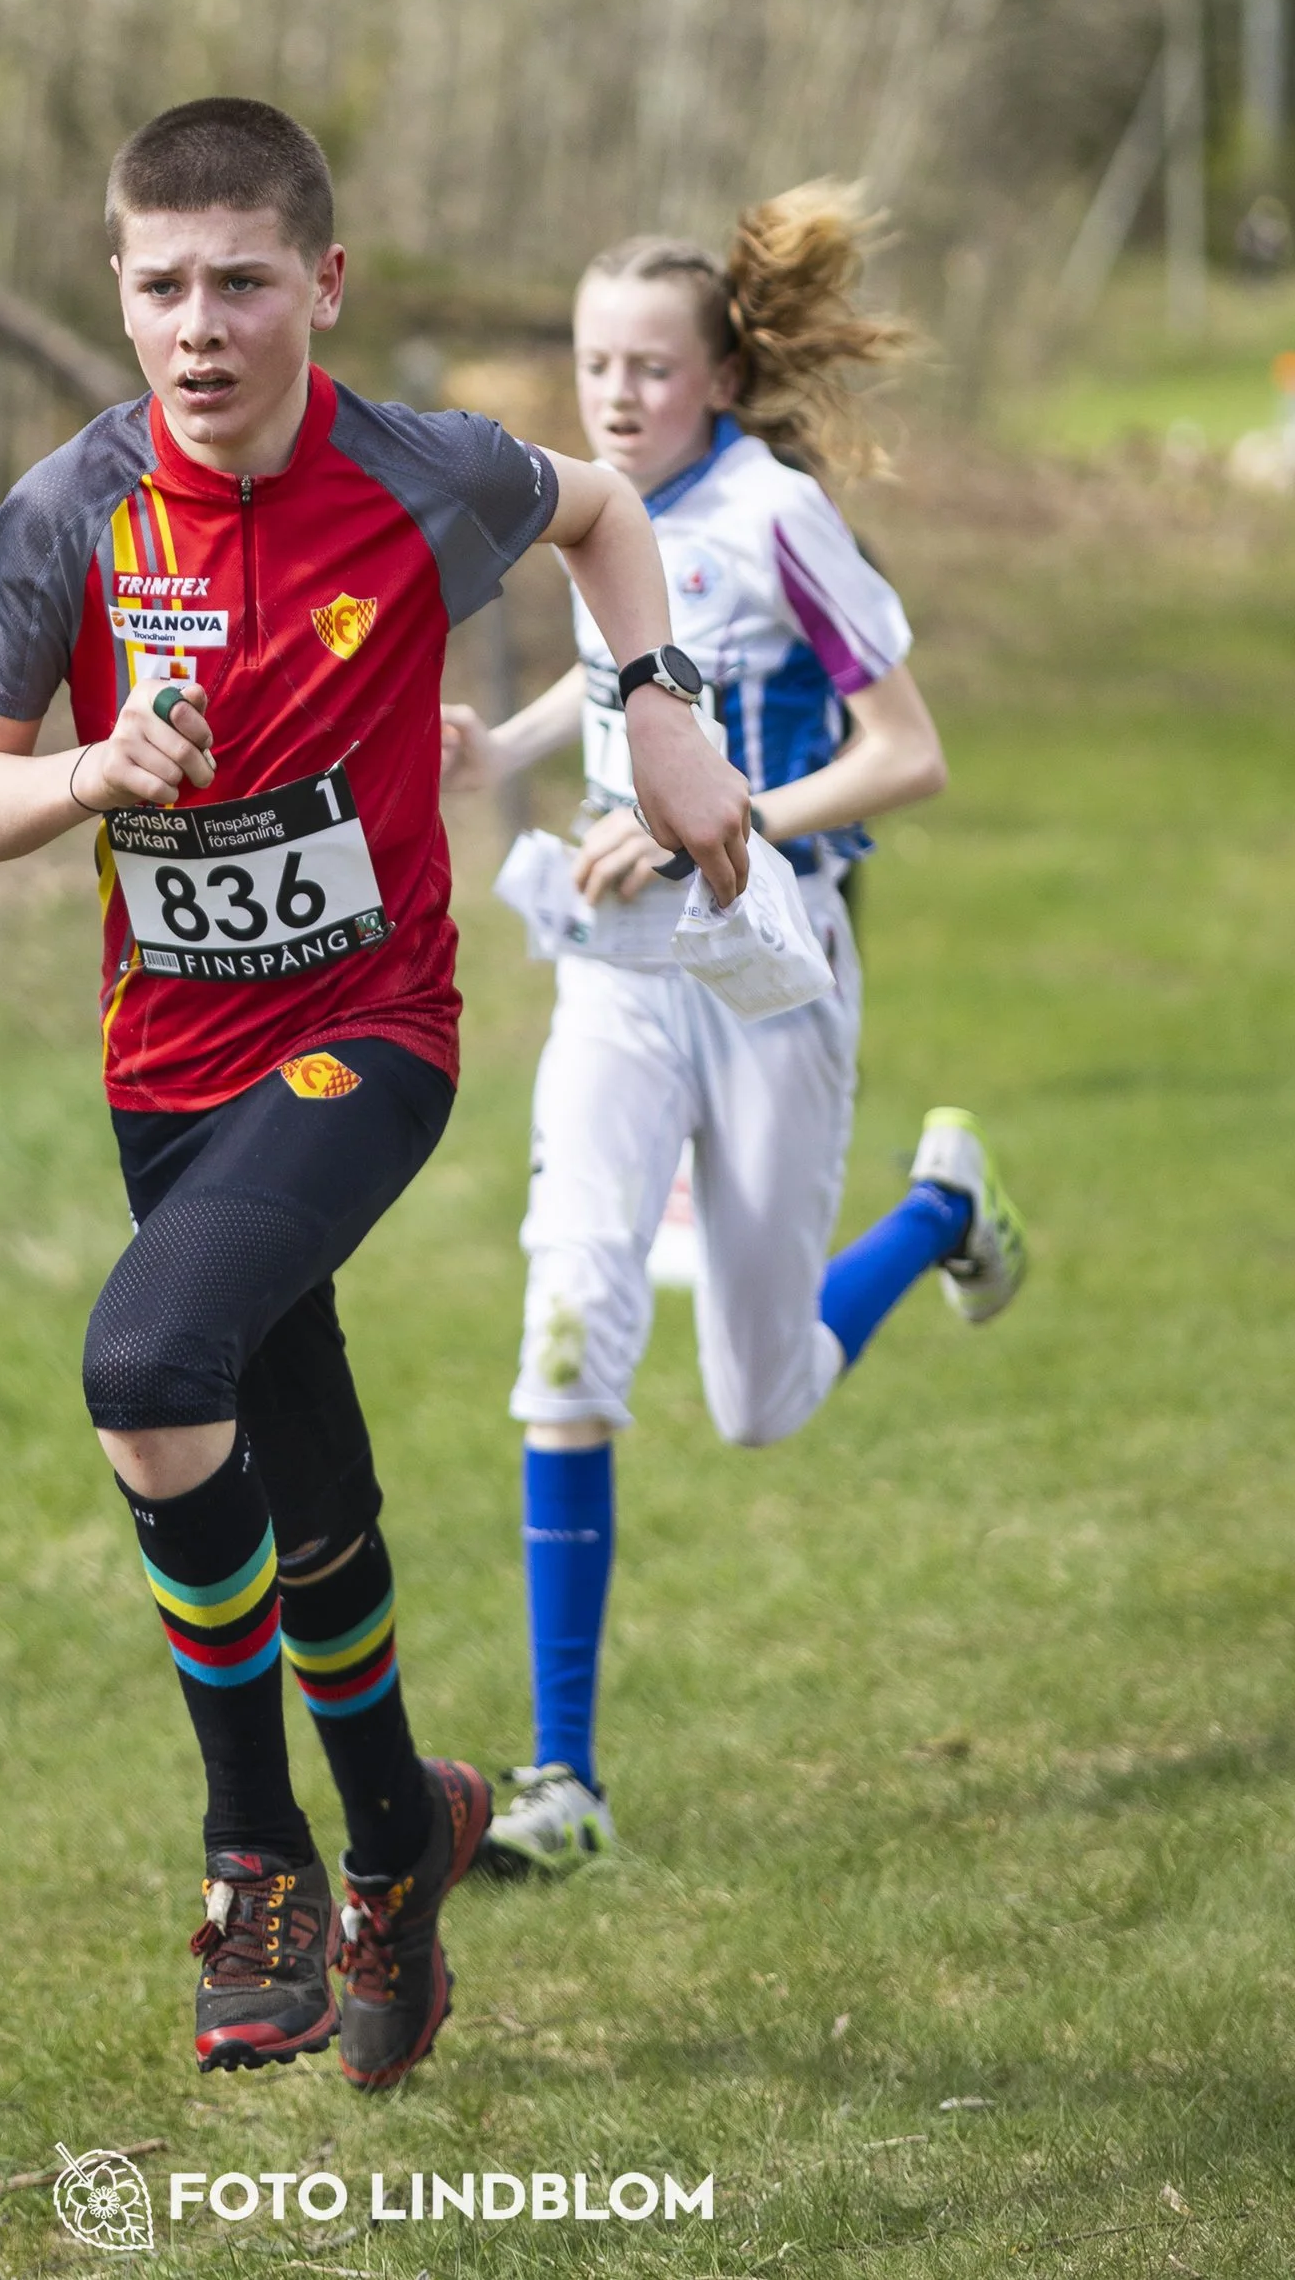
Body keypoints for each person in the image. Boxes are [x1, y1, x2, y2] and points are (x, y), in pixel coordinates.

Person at [0, 97, 750, 2088]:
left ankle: (255, 1848)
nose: (195, 327)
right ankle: (403, 1831)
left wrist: (662, 728)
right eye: (156, 286)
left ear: (321, 284)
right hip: (168, 1075)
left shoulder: (417, 473)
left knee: (145, 1365)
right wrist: (89, 779)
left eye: (238, 281)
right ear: (115, 291)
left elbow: (607, 517)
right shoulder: (66, 517)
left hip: (368, 1034)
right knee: (290, 1466)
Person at [439, 190, 1028, 1881]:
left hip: (770, 965)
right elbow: (625, 663)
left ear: (716, 373)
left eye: (647, 369)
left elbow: (905, 753)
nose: (613, 397)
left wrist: (733, 818)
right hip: (618, 979)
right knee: (569, 1329)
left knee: (761, 1401)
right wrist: (511, 746)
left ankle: (943, 1213)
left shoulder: (781, 519)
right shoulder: (597, 511)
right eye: (590, 365)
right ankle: (566, 1780)